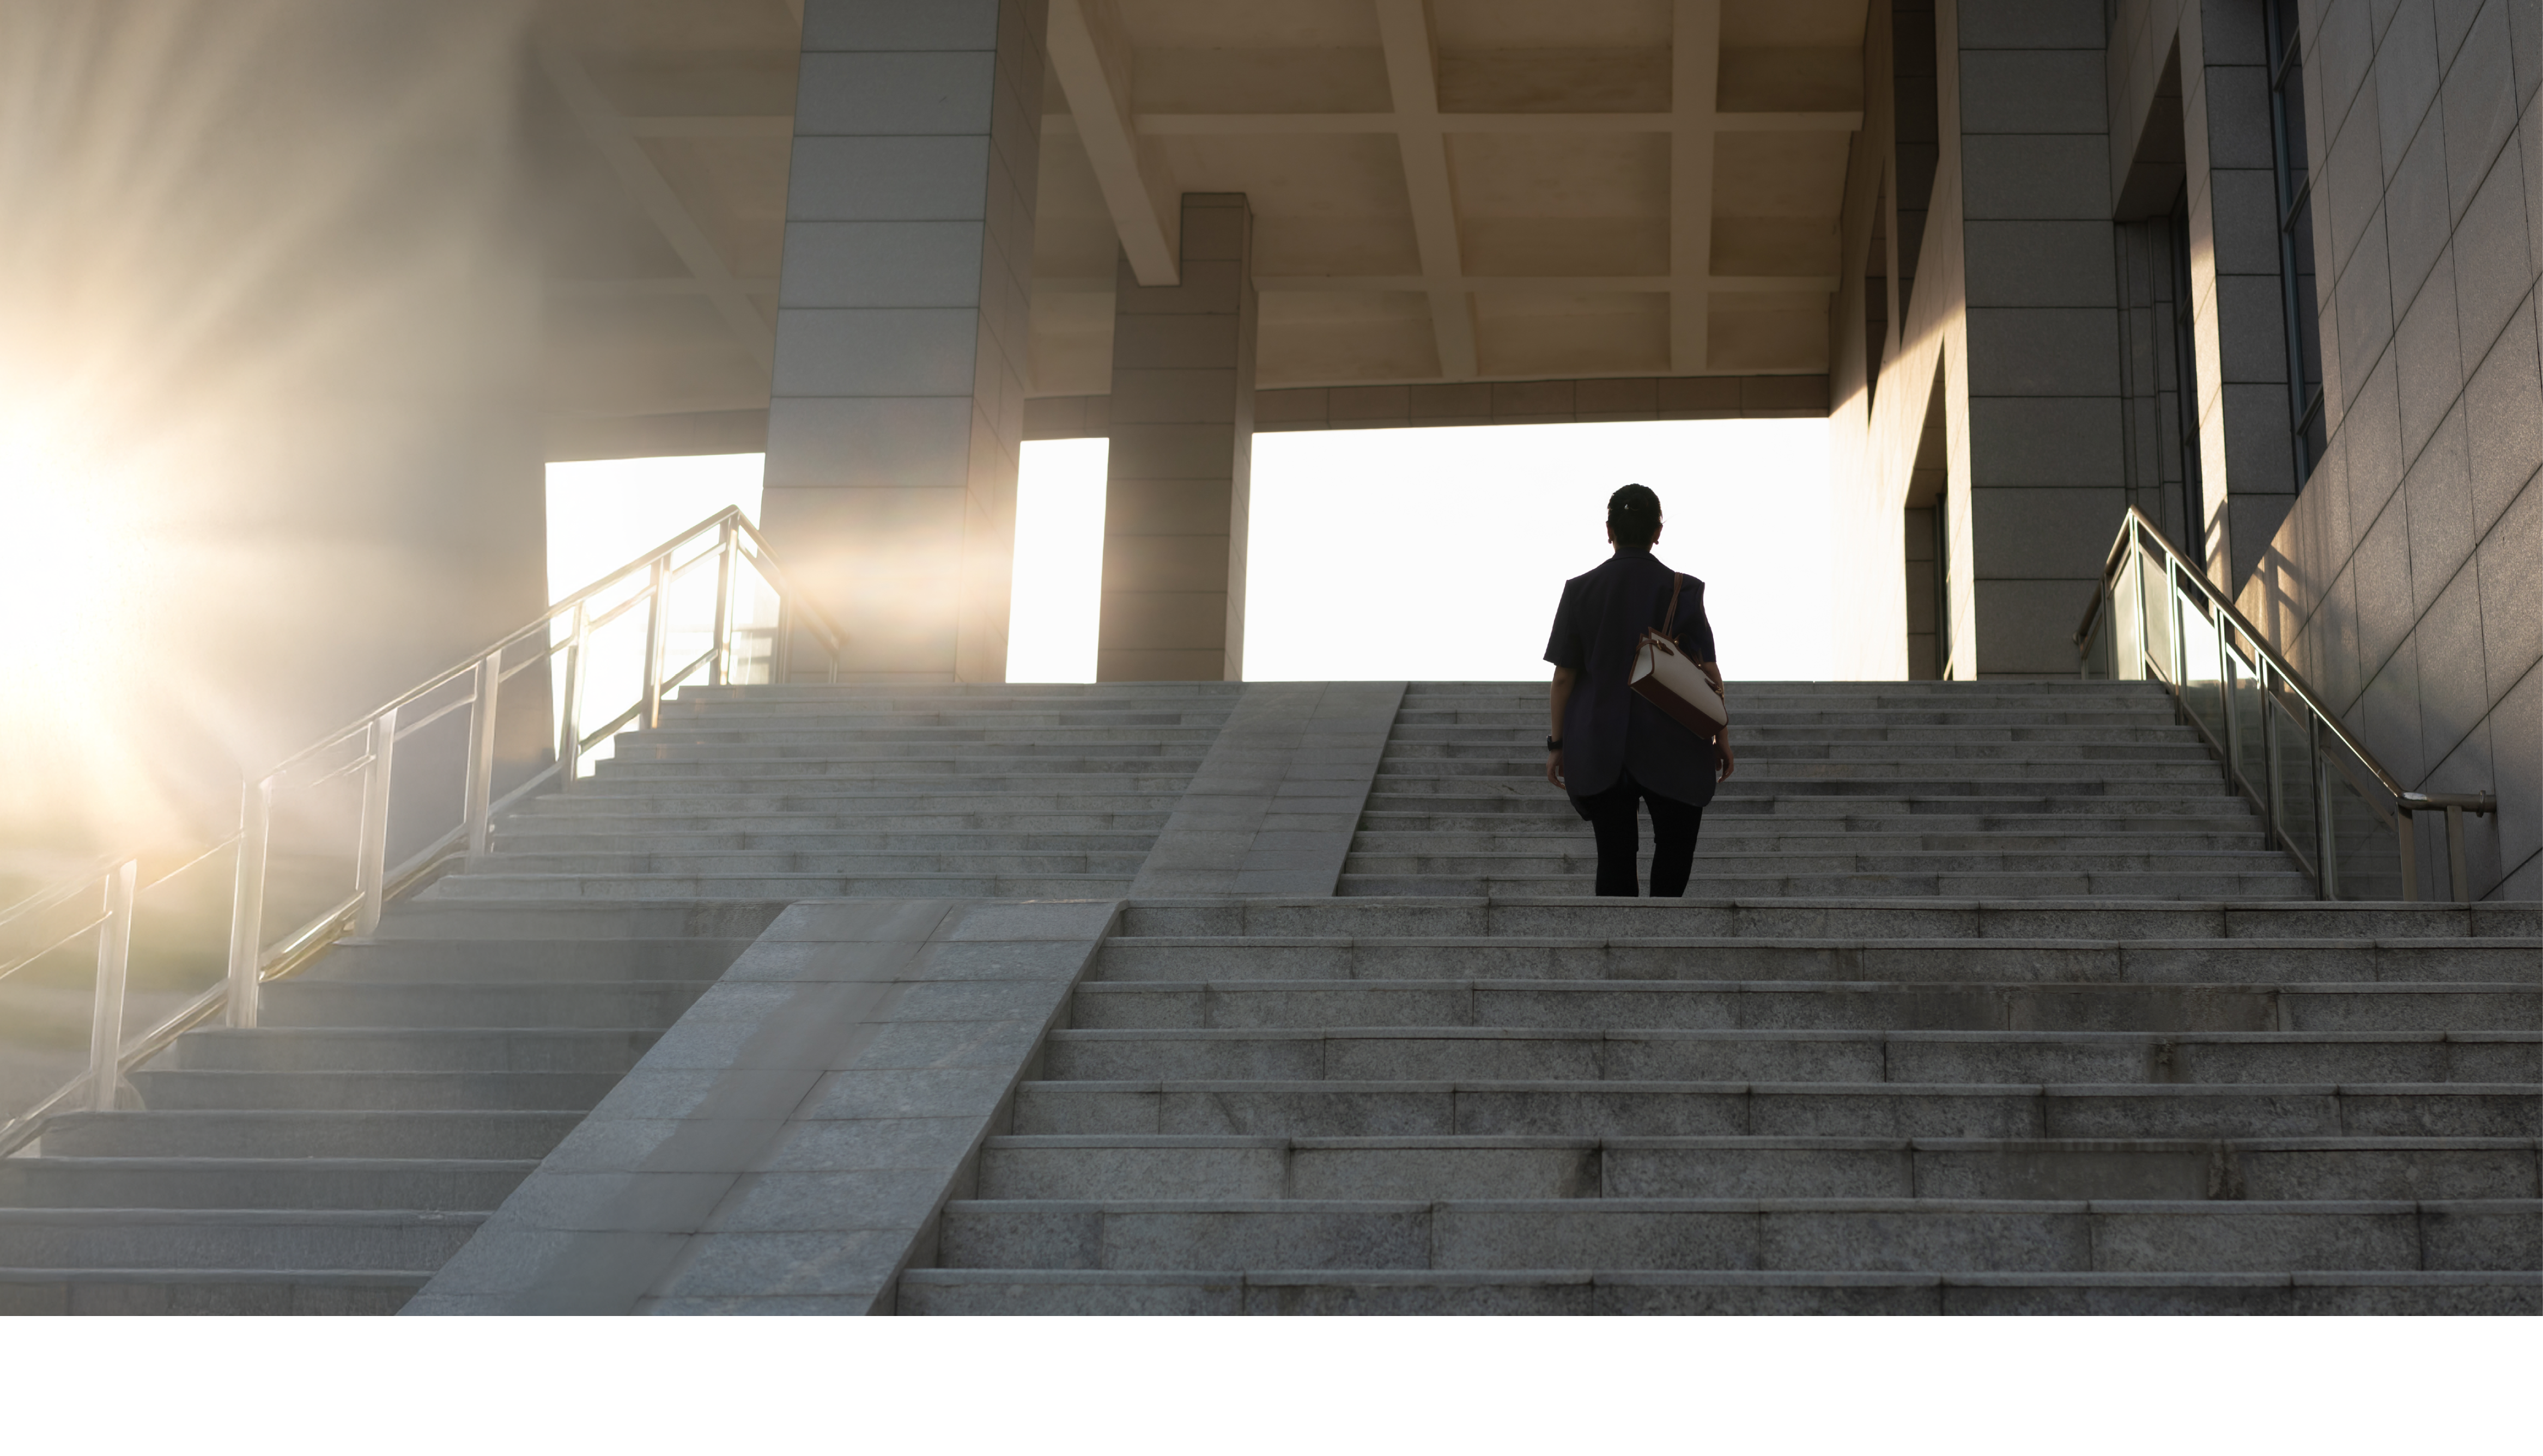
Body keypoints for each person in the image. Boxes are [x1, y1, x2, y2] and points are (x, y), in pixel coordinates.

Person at [1541, 484, 1735, 897]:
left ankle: (1621, 945)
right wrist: (1721, 735)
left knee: (1614, 857)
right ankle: (1662, 935)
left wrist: (1557, 745)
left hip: (1599, 743)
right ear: (1657, 532)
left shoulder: (1580, 591)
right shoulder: (1683, 588)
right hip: (1673, 741)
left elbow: (1563, 677)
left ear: (1608, 531)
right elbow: (1708, 669)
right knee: (1675, 848)